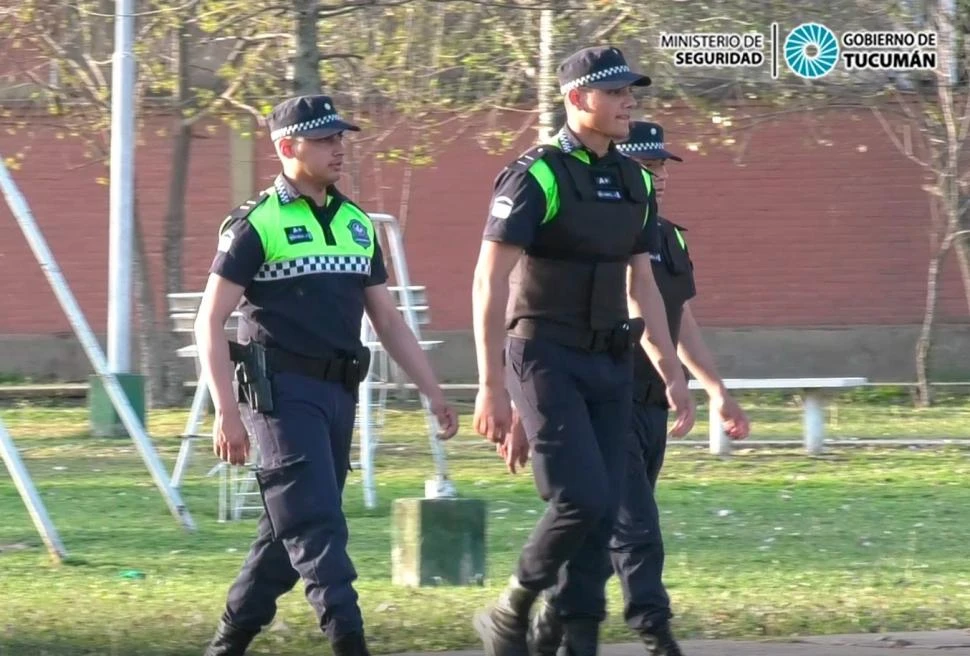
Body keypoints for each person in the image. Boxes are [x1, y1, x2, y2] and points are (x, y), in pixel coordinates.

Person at [196, 94, 459, 656]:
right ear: (288, 147)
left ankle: (225, 646)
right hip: (279, 398)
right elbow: (210, 321)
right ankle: (349, 640)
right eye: (324, 139)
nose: (339, 148)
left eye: (341, 137)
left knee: (283, 539)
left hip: (339, 394)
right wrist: (226, 412)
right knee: (317, 527)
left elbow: (387, 319)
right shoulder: (255, 224)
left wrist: (433, 391)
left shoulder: (358, 223)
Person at [470, 46, 696, 656]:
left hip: (611, 357)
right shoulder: (536, 174)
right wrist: (491, 384)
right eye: (615, 92)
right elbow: (490, 281)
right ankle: (513, 605)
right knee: (582, 498)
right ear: (577, 99)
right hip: (543, 353)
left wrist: (671, 371)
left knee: (604, 512)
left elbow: (642, 282)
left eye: (631, 92)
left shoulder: (633, 178)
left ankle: (568, 634)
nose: (629, 102)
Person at [513, 121, 751, 656]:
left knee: (601, 522)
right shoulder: (603, 235)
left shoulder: (670, 238)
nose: (658, 174)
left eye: (662, 164)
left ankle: (554, 618)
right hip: (607, 390)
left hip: (653, 406)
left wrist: (712, 387)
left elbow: (680, 316)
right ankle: (655, 631)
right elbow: (623, 306)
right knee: (634, 524)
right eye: (646, 165)